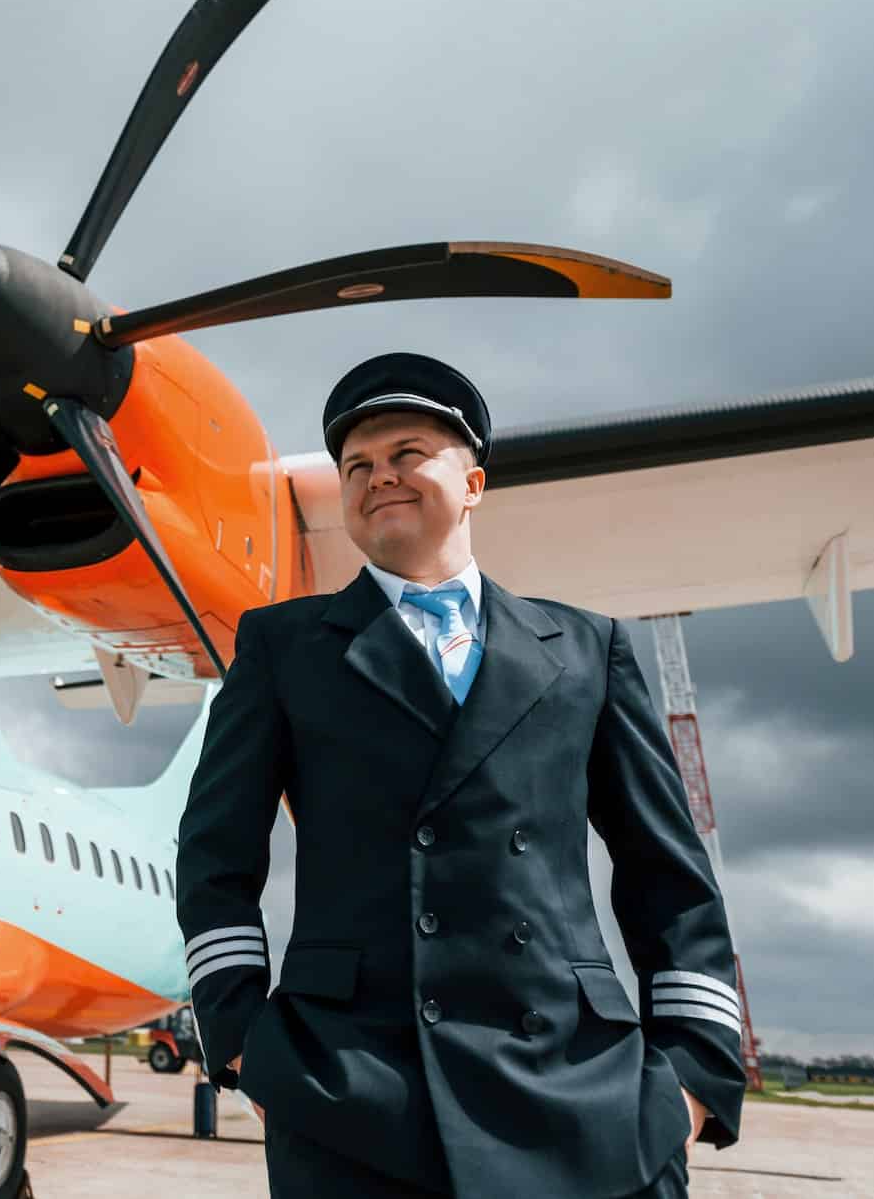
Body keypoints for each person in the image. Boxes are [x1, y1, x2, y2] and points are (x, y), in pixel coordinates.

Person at [174, 352, 746, 1197]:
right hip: (353, 1090)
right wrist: (241, 1040)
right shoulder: (281, 648)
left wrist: (691, 1078)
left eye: (407, 452)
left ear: (473, 481)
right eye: (357, 466)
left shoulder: (589, 648)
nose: (379, 476)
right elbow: (213, 857)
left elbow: (672, 876)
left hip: (584, 1094)